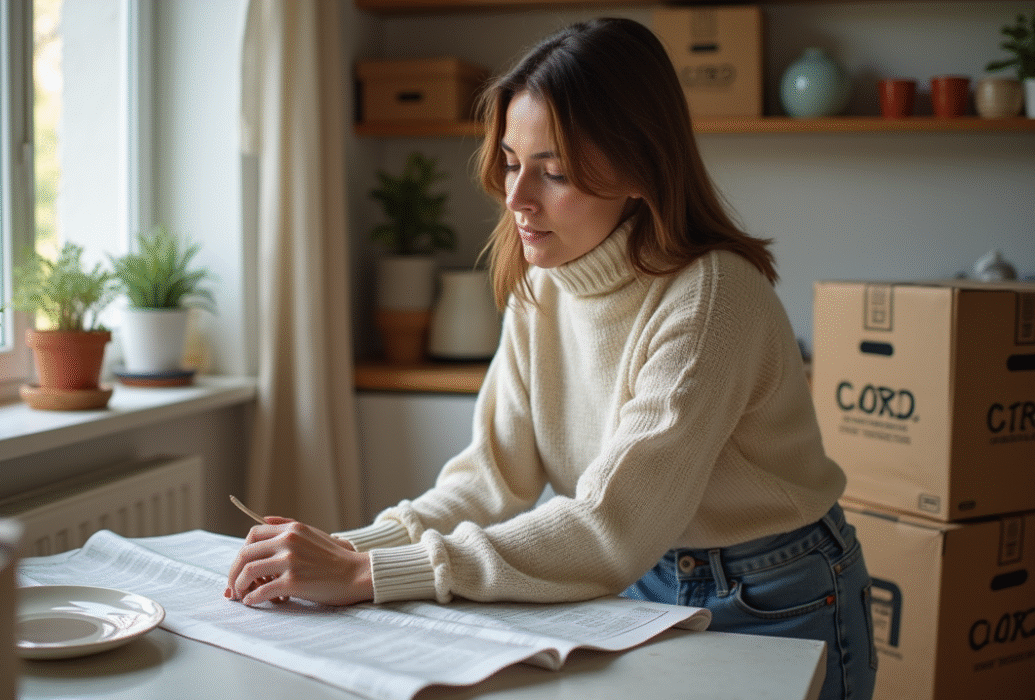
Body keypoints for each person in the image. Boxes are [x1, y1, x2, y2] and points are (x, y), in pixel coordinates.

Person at [226, 17, 875, 700]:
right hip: (642, 578)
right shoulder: (543, 286)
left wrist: (368, 576)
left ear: (638, 167)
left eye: (553, 171)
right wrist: (351, 547)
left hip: (775, 593)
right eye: (510, 161)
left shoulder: (713, 297)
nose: (515, 199)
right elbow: (486, 482)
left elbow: (609, 526)